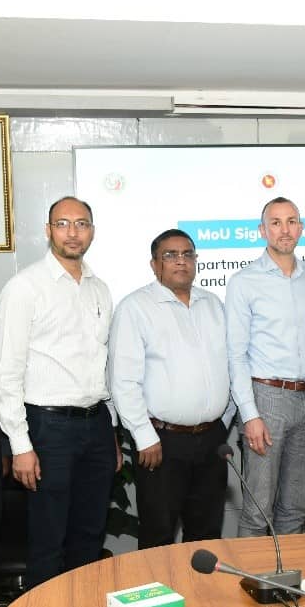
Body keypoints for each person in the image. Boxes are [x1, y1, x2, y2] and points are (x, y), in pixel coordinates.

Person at [0, 196, 119, 586]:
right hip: (48, 430)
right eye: (63, 224)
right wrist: (21, 445)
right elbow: (9, 373)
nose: (73, 232)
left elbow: (102, 365)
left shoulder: (100, 288)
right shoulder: (24, 287)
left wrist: (112, 433)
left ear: (92, 232)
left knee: (88, 536)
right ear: (48, 231)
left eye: (81, 224)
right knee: (48, 541)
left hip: (96, 424)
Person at [108, 230, 231, 547]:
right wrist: (144, 435)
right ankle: (160, 597)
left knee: (206, 535)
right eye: (171, 255)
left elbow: (230, 366)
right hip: (160, 443)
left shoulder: (213, 304)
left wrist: (222, 421)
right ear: (154, 264)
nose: (181, 261)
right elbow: (123, 380)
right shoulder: (135, 308)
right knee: (159, 535)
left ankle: (202, 597)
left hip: (212, 440)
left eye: (188, 254)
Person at [225, 197, 305, 537]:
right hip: (266, 398)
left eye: (291, 221)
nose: (284, 229)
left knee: (296, 507)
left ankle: (288, 586)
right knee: (259, 508)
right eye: (275, 222)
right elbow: (235, 354)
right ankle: (254, 586)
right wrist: (250, 414)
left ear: (300, 228)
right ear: (262, 230)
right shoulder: (245, 281)